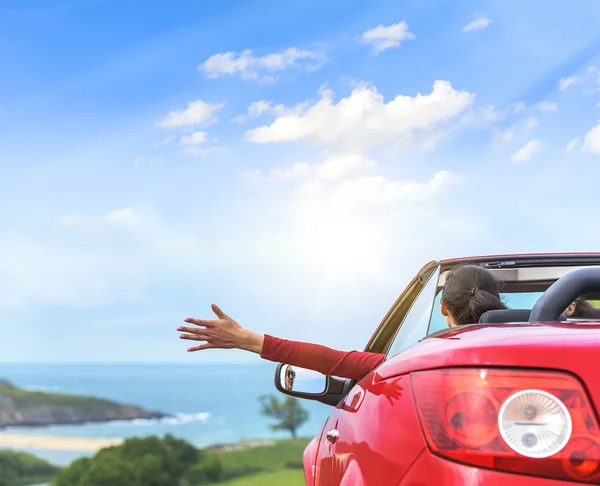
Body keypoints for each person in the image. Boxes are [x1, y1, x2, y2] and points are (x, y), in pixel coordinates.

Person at [177, 265, 506, 381]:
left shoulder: (417, 364)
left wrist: (246, 339)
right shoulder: (543, 345)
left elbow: (333, 361)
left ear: (443, 307)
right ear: (498, 301)